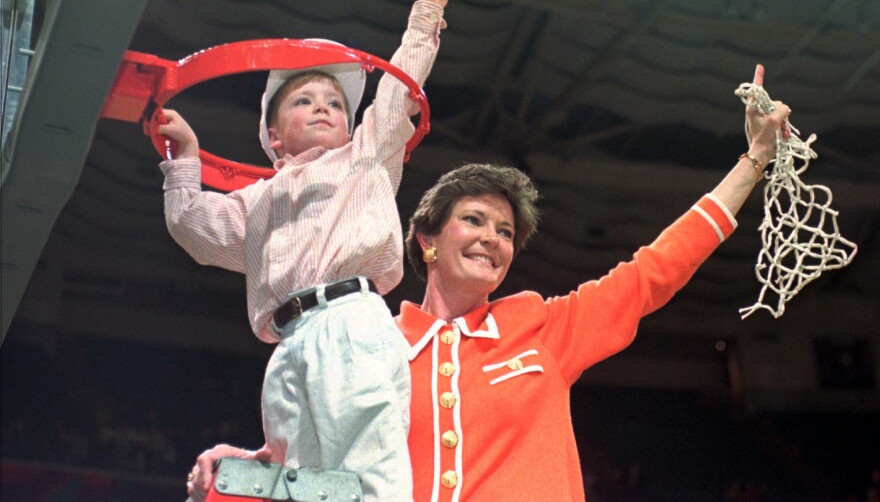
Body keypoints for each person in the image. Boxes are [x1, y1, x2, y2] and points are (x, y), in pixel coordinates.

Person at [186, 65, 789, 502]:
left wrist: (751, 163)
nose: (492, 239)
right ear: (426, 240)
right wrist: (240, 471)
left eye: (505, 232)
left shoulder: (542, 331)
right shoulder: (372, 346)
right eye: (473, 221)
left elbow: (653, 272)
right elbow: (311, 467)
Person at [160, 0, 453, 501]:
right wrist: (187, 157)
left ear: (350, 122)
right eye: (304, 100)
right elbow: (192, 227)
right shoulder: (257, 200)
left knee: (370, 477)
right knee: (298, 486)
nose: (323, 106)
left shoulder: (366, 155)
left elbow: (395, 93)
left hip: (353, 324)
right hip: (289, 343)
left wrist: (426, 12)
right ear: (273, 135)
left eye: (336, 103)